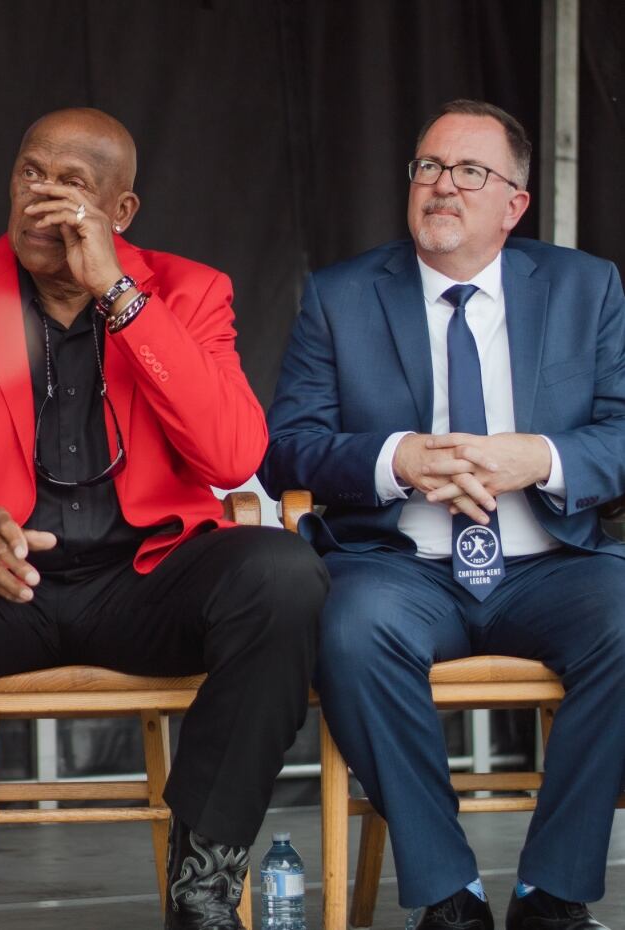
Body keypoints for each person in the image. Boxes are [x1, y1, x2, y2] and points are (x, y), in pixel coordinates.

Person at [0, 107, 328, 930]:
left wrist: (119, 294)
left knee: (283, 578)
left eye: (71, 183)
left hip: (142, 586)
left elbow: (232, 452)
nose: (42, 197)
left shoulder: (189, 290)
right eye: (31, 173)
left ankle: (202, 889)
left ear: (121, 211)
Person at [260, 99, 625, 930]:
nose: (441, 187)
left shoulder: (584, 287)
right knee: (348, 631)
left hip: (551, 564)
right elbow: (287, 447)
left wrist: (540, 458)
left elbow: (621, 428)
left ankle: (553, 895)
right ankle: (448, 895)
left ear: (514, 204)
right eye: (428, 167)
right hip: (400, 568)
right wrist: (399, 460)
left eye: (470, 172)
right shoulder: (340, 296)